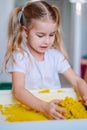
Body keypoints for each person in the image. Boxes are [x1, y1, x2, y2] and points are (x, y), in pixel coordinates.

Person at [4, 0, 87, 120]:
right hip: (31, 108)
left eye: (52, 34)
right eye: (41, 35)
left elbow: (77, 81)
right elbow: (18, 91)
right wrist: (44, 107)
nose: (47, 41)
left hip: (54, 109)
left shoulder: (55, 56)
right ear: (26, 32)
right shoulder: (20, 56)